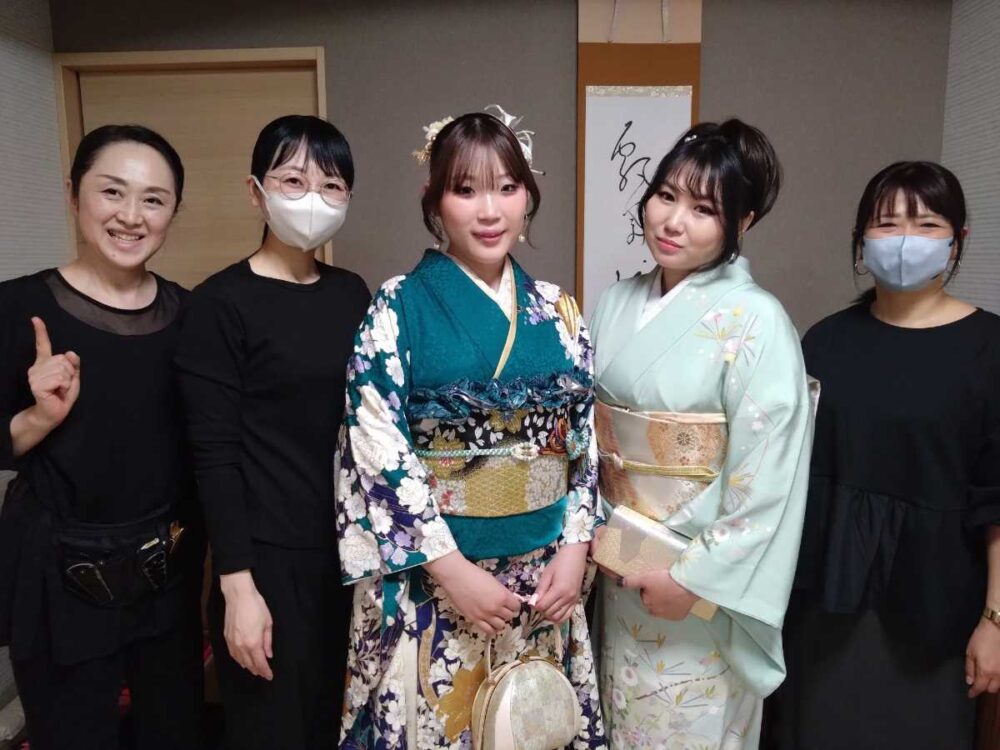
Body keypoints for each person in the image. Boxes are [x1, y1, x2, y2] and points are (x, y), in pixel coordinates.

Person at [335, 109, 607, 748]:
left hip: (541, 581)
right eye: (465, 190)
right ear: (434, 200)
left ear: (527, 196)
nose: (490, 211)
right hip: (436, 577)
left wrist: (574, 549)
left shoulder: (559, 311)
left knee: (532, 724)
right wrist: (452, 570)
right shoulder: (399, 306)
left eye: (507, 188)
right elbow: (376, 443)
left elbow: (582, 440)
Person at [588, 119, 813, 749]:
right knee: (618, 717)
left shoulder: (759, 321)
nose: (673, 221)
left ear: (742, 222)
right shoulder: (613, 302)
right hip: (619, 558)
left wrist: (691, 578)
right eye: (665, 196)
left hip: (698, 585)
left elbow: (769, 477)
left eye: (703, 209)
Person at [767, 161, 1000, 750]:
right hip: (823, 601)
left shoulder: (990, 348)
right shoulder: (825, 341)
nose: (904, 240)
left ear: (957, 239)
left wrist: (995, 620)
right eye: (887, 223)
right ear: (861, 237)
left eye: (926, 224)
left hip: (937, 608)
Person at [0, 124, 204, 750]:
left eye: (153, 199)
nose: (131, 216)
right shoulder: (16, 308)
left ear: (173, 212)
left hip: (165, 568)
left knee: (174, 732)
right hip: (58, 577)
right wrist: (39, 418)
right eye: (112, 192)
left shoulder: (193, 316)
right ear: (74, 193)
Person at [174, 114, 370, 750]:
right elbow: (213, 454)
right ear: (256, 192)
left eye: (332, 185)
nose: (313, 198)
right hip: (264, 562)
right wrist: (237, 586)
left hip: (346, 553)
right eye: (293, 180)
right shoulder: (218, 304)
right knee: (271, 729)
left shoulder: (352, 294)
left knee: (337, 725)